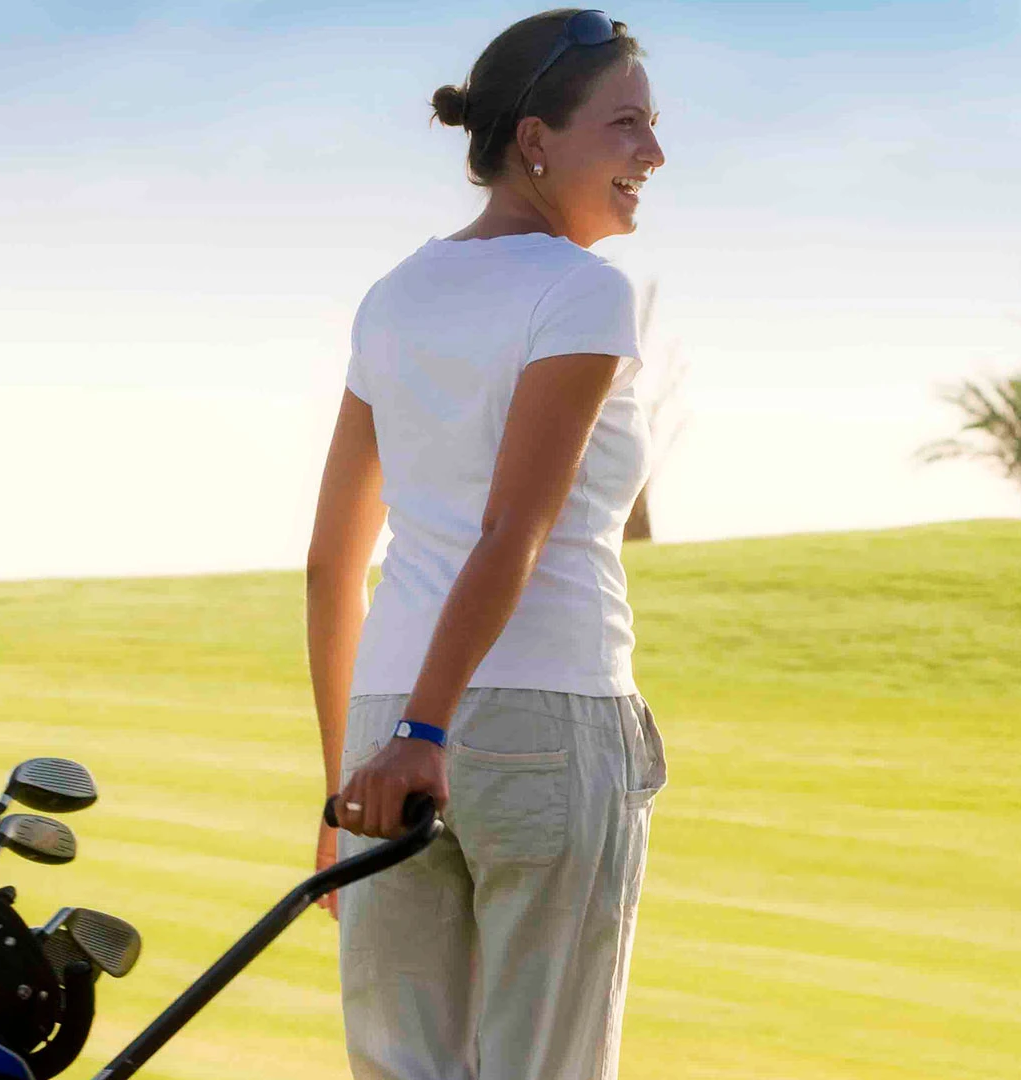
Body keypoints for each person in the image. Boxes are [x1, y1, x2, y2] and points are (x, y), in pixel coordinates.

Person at [302, 9, 667, 1079]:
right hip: (542, 719)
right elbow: (517, 529)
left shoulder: (393, 297)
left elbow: (332, 567)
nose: (653, 153)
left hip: (383, 728)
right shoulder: (582, 290)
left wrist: (347, 786)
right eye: (627, 124)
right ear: (536, 140)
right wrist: (426, 726)